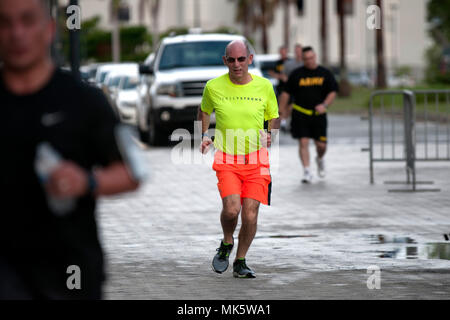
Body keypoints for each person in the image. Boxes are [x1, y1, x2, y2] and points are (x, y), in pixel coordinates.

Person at [0, 0, 140, 299]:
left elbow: (133, 171)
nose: (17, 33)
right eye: (6, 23)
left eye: (27, 21)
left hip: (70, 273)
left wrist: (88, 181)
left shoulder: (83, 100)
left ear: (49, 29)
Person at [198, 40, 279, 278]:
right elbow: (204, 110)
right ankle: (226, 242)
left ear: (250, 60)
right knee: (232, 210)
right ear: (225, 61)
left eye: (241, 59)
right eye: (231, 60)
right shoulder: (213, 87)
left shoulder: (264, 87)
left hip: (257, 160)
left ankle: (240, 261)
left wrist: (271, 133)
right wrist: (203, 134)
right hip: (227, 158)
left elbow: (274, 116)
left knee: (251, 214)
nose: (236, 65)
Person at [279, 46, 338, 184]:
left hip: (318, 115)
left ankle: (320, 159)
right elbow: (286, 94)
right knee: (303, 142)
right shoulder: (296, 74)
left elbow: (333, 91)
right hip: (300, 113)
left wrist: (325, 105)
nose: (309, 61)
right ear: (302, 59)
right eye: (306, 59)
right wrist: (281, 112)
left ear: (315, 56)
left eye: (311, 58)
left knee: (321, 145)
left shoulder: (325, 73)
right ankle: (307, 171)